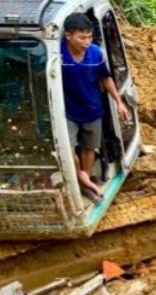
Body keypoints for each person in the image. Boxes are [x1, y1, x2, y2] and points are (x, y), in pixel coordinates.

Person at [61, 14, 130, 203]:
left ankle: (86, 180)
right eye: (81, 38)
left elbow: (105, 78)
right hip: (67, 111)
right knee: (68, 148)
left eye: (89, 37)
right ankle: (81, 177)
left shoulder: (96, 53)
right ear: (68, 35)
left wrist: (119, 102)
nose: (86, 42)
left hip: (92, 109)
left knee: (89, 147)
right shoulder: (57, 55)